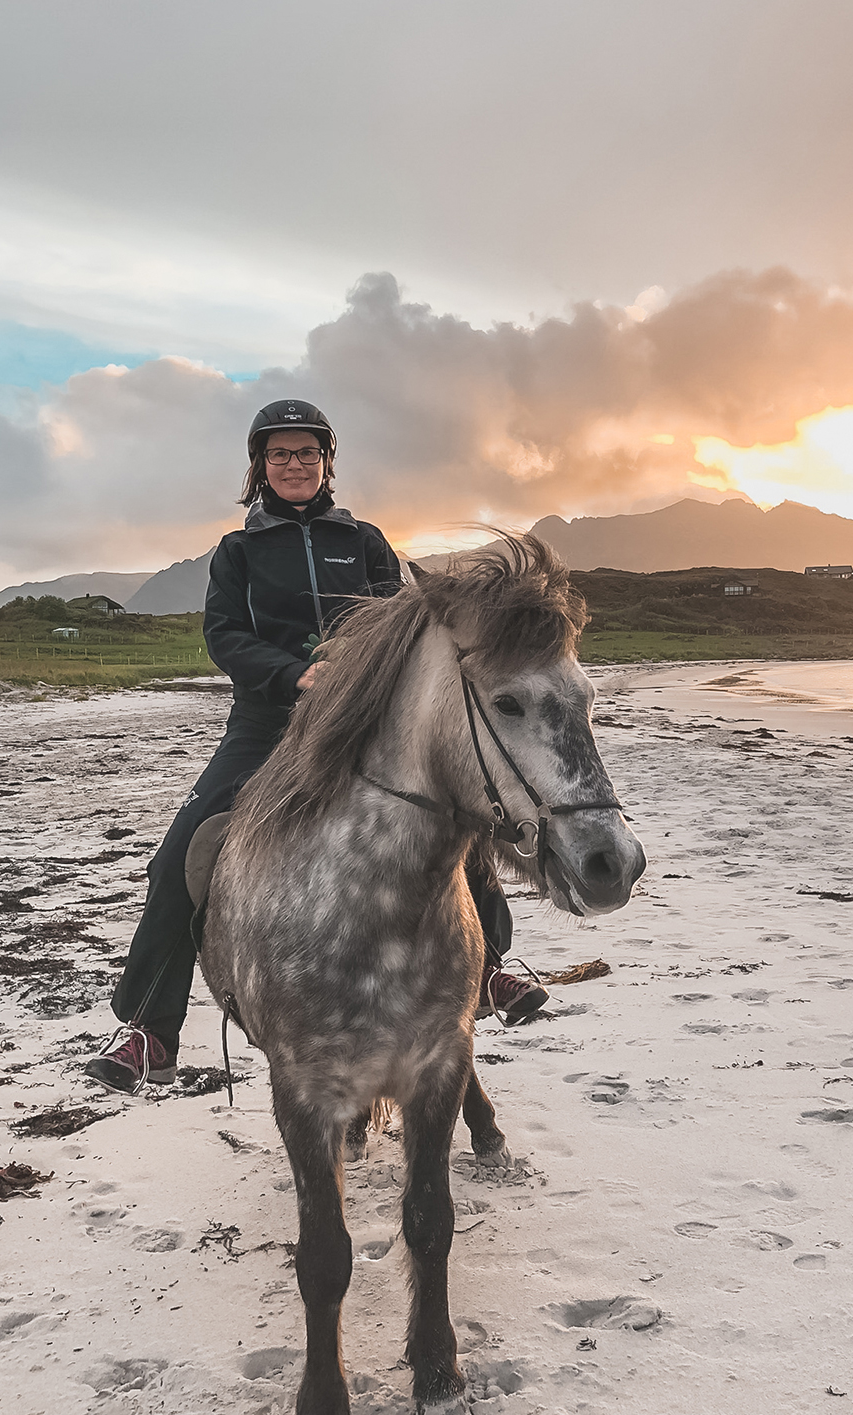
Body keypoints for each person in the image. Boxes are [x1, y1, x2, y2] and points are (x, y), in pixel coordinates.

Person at [85, 399, 546, 1096]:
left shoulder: (362, 540)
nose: (294, 464)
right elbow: (224, 636)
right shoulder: (238, 551)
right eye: (280, 454)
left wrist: (363, 675)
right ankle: (150, 1031)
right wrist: (292, 673)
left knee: (460, 818)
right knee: (180, 854)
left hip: (365, 721)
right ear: (259, 467)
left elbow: (407, 624)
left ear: (328, 462)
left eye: (307, 452)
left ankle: (491, 974)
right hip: (266, 723)